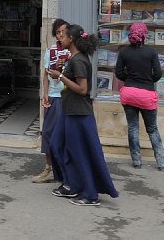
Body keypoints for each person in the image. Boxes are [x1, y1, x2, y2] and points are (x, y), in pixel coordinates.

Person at [47, 24, 119, 206]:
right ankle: (71, 184)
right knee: (58, 145)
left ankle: (90, 195)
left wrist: (61, 76)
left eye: (63, 36)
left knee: (79, 153)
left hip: (79, 114)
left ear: (71, 39)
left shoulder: (79, 60)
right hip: (70, 111)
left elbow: (82, 89)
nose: (60, 38)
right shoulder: (74, 58)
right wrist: (61, 70)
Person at [114, 21, 164, 171]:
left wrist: (131, 79)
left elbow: (118, 73)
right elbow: (157, 74)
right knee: (152, 129)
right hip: (147, 95)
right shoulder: (151, 53)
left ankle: (137, 161)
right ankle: (161, 163)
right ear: (145, 35)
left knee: (133, 127)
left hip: (129, 93)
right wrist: (147, 80)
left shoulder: (124, 52)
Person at [32, 18, 69, 184]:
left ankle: (64, 171)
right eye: (58, 32)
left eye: (64, 32)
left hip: (68, 97)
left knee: (67, 135)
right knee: (48, 132)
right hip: (53, 97)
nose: (61, 35)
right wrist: (45, 94)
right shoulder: (50, 51)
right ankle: (48, 167)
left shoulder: (72, 52)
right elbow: (46, 75)